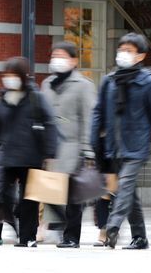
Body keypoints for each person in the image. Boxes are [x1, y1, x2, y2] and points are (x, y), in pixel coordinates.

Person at [93, 33, 151, 250]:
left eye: (129, 50)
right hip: (114, 145)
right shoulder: (109, 81)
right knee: (129, 192)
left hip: (137, 145)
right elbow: (98, 112)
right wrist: (94, 141)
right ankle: (140, 237)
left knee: (125, 184)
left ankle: (113, 226)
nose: (123, 54)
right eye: (122, 49)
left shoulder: (148, 82)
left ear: (140, 56)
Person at [0, 57, 58, 248]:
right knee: (2, 197)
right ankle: (18, 220)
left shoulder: (35, 97)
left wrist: (50, 152)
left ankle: (27, 237)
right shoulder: (4, 100)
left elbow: (50, 123)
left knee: (29, 200)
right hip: (8, 157)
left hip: (31, 157)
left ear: (22, 76)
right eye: (6, 75)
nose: (9, 79)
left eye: (13, 75)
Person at [41, 42, 97, 249]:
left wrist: (87, 150)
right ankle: (59, 228)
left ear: (74, 61)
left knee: (73, 196)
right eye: (54, 55)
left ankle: (72, 237)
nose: (57, 59)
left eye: (62, 56)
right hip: (52, 149)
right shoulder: (47, 84)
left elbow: (89, 119)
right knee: (51, 193)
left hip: (74, 148)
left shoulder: (84, 85)